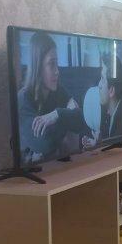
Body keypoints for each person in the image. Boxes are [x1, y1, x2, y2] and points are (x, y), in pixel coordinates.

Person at [17, 32, 86, 165]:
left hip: (59, 165)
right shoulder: (23, 98)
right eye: (51, 64)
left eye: (57, 64)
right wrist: (68, 116)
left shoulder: (58, 90)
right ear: (38, 67)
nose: (57, 71)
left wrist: (57, 114)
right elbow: (44, 142)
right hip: (33, 170)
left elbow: (80, 120)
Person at [82, 52, 122, 149]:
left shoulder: (121, 123)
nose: (99, 85)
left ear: (111, 91)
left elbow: (116, 152)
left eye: (102, 79)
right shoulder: (112, 115)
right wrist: (98, 143)